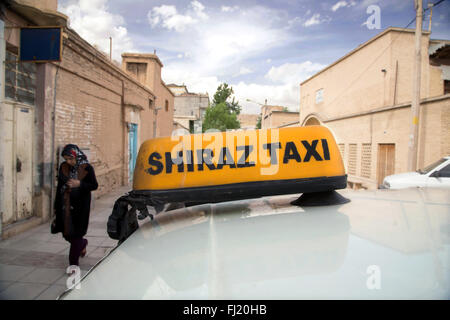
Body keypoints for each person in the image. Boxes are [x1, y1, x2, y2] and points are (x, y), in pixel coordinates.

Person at [53, 144, 98, 270]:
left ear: (76, 155)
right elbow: (59, 187)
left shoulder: (87, 168)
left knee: (76, 234)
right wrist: (56, 205)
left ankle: (73, 265)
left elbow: (94, 185)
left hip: (81, 207)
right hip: (66, 205)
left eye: (70, 159)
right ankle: (83, 243)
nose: (68, 161)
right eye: (66, 159)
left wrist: (80, 184)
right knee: (67, 234)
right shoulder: (64, 167)